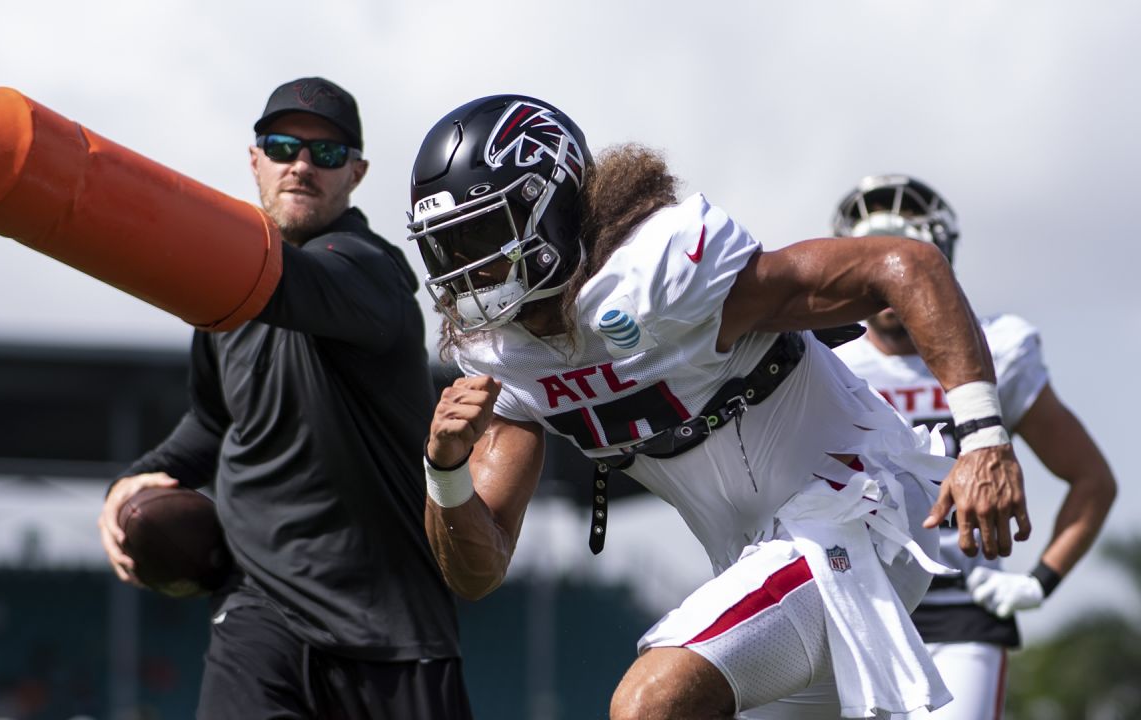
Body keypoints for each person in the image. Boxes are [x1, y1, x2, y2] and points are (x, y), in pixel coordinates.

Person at [406, 95, 1032, 719]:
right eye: (446, 246)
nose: (467, 266)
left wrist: (983, 438)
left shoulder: (659, 278)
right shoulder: (502, 357)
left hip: (854, 515)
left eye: (481, 233)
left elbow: (907, 264)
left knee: (650, 703)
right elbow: (476, 574)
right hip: (757, 564)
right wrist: (445, 472)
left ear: (551, 204)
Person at [96, 77, 472, 719]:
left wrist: (110, 207)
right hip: (258, 612)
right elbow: (217, 422)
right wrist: (130, 484)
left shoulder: (370, 274)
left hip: (392, 629)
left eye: (325, 154)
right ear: (255, 160)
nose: (301, 165)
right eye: (282, 146)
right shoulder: (223, 303)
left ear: (356, 172)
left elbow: (294, 282)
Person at [830, 174, 1116, 719]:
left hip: (962, 616)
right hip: (856, 607)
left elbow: (1092, 480)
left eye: (906, 253)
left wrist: (1040, 581)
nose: (892, 271)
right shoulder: (823, 360)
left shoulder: (998, 349)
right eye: (877, 254)